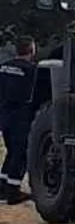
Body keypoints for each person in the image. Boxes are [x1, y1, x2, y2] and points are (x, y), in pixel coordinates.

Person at [1, 36, 37, 203]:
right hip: (21, 116)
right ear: (31, 50)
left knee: (11, 151)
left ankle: (2, 187)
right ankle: (13, 192)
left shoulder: (3, 67)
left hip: (4, 114)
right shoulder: (31, 70)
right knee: (20, 153)